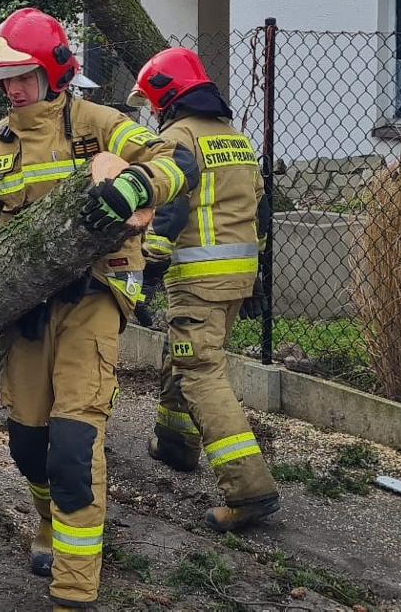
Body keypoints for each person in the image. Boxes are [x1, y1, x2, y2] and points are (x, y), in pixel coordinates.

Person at [0, 9, 186, 609]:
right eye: (5, 80)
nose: (12, 90)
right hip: (23, 310)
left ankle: (73, 589)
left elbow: (173, 162)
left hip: (92, 298)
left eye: (23, 77)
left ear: (55, 71)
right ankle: (49, 521)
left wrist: (136, 185)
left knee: (72, 446)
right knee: (27, 445)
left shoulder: (98, 123)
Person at [129, 47, 281, 533]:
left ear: (166, 98)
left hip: (197, 279)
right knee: (184, 358)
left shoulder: (176, 139)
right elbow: (257, 209)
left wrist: (144, 275)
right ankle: (175, 445)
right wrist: (255, 279)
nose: (151, 111)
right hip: (237, 277)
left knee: (200, 372)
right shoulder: (235, 140)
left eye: (152, 101)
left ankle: (249, 490)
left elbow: (167, 209)